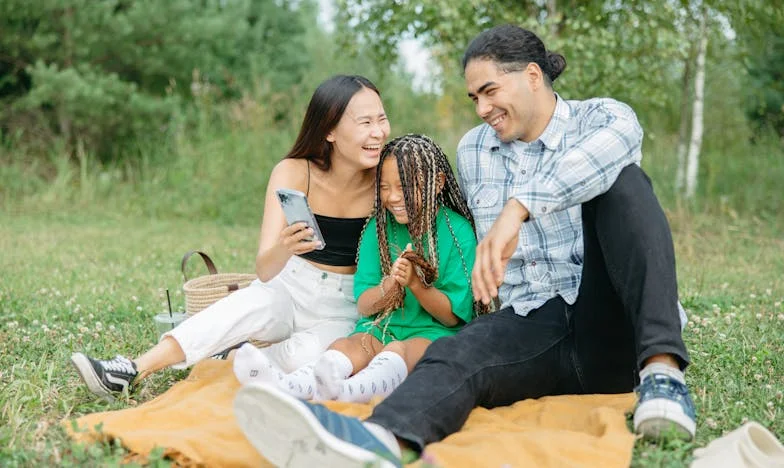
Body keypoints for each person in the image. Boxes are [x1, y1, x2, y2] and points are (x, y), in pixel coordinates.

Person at [231, 25, 697, 468]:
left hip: (608, 318)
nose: (481, 108)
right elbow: (447, 226)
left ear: (532, 76)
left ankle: (663, 375)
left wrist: (519, 207)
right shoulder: (476, 150)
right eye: (474, 97)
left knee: (626, 184)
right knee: (455, 352)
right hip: (533, 324)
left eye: (490, 91)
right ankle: (376, 441)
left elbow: (607, 156)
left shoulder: (604, 118)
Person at [70, 74, 392, 401]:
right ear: (329, 130)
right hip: (290, 285)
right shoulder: (294, 171)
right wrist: (284, 246)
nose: (378, 132)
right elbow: (266, 270)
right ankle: (131, 369)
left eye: (381, 119)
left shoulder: (386, 182)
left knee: (301, 360)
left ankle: (231, 361)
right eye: (365, 122)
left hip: (343, 307)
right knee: (245, 306)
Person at [232, 134, 484, 404]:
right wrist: (389, 287)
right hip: (381, 327)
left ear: (438, 183)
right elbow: (364, 306)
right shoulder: (378, 229)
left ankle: (347, 393)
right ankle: (293, 385)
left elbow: (452, 318)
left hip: (434, 334)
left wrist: (415, 285)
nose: (393, 196)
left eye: (404, 186)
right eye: (384, 187)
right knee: (350, 346)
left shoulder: (458, 232)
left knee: (400, 351)